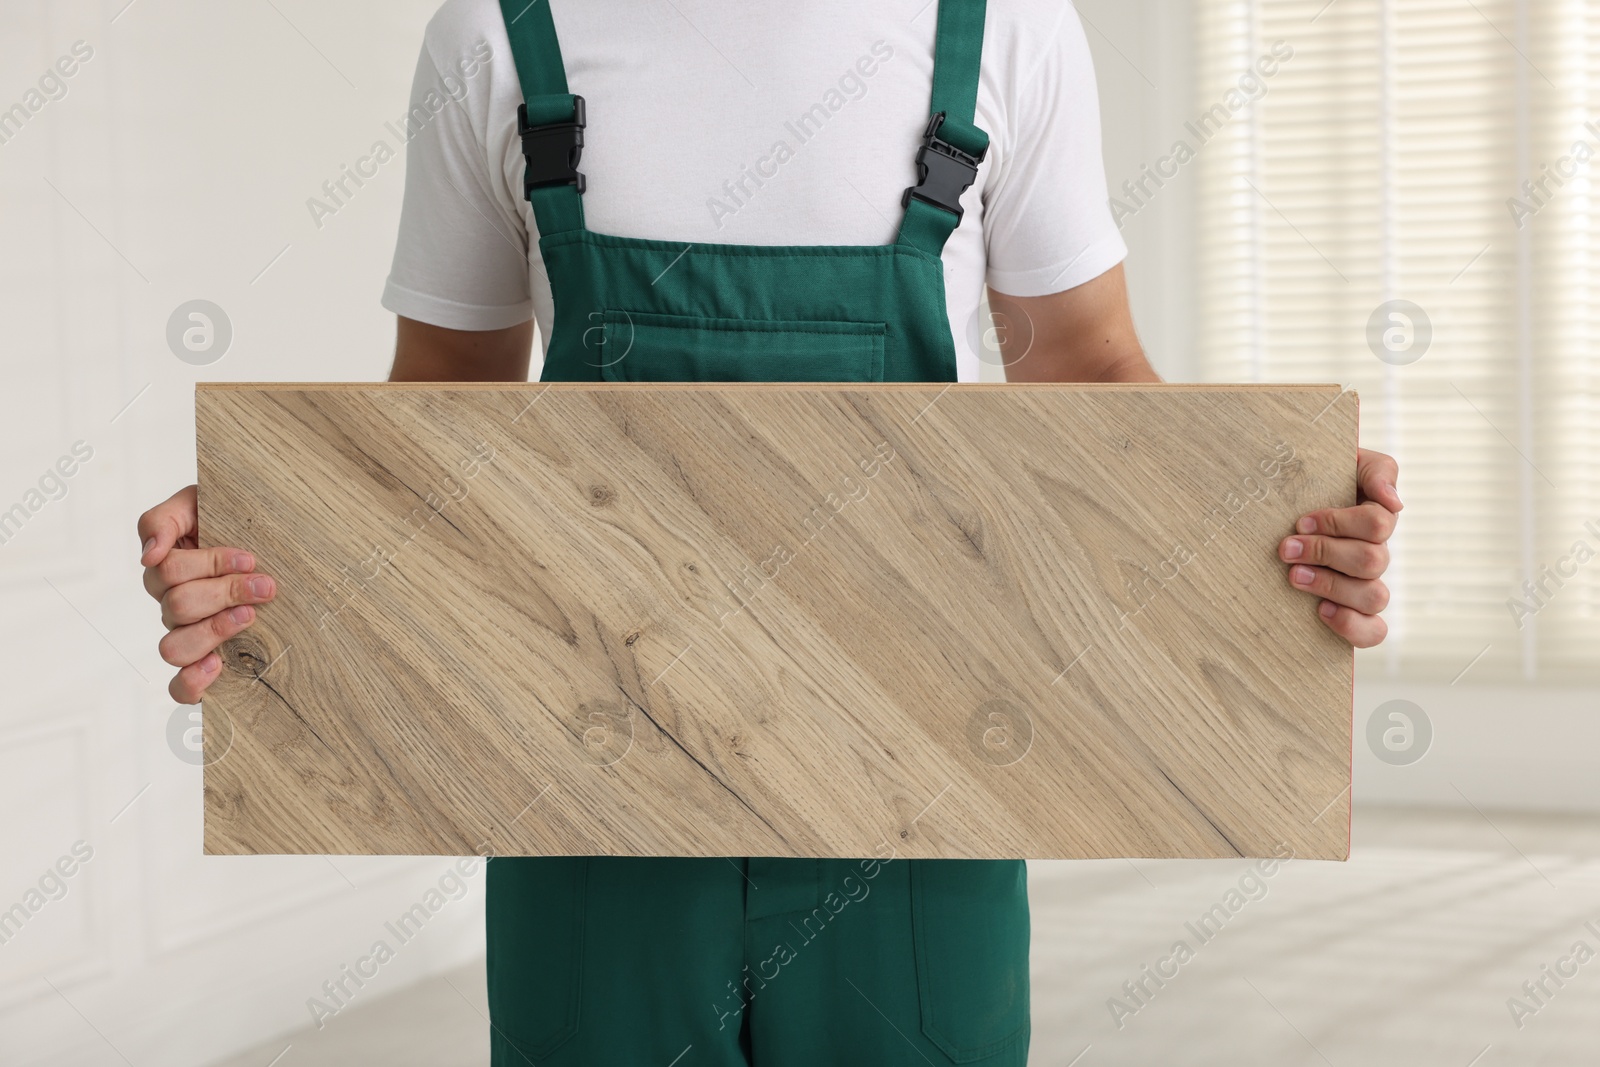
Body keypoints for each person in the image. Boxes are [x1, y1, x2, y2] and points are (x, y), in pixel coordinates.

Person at [137, 1, 1402, 1063]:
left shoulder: (1000, 25)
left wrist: (1277, 539)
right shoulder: (498, 35)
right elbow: (439, 411)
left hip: (923, 790)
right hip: (584, 796)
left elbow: (1085, 367)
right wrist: (263, 539)